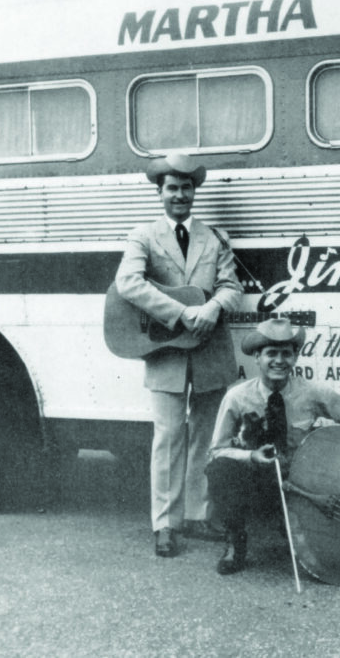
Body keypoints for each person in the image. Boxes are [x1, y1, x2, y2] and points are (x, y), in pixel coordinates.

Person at [114, 152, 243, 557]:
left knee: (207, 435)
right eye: (172, 188)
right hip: (167, 350)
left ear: (194, 192)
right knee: (168, 437)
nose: (180, 195)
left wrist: (214, 307)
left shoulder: (214, 237)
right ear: (160, 192)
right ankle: (165, 524)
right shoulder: (144, 235)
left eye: (187, 188)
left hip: (209, 349)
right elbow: (128, 283)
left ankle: (197, 515)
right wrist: (183, 312)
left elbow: (233, 286)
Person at [206, 319, 340, 575]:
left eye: (286, 353)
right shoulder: (237, 397)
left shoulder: (313, 392)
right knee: (220, 469)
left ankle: (296, 529)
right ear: (257, 358)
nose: (279, 360)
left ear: (295, 357)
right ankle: (235, 542)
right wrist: (251, 455)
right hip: (255, 480)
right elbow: (216, 450)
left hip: (299, 481)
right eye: (271, 353)